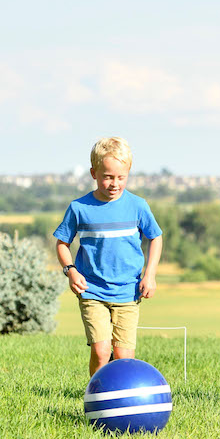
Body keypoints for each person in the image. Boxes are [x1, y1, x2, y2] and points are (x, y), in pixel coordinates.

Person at [54, 137, 163, 377]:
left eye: (121, 177)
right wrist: (71, 270)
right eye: (108, 177)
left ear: (128, 173)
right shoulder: (79, 208)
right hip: (92, 290)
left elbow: (155, 237)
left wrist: (150, 275)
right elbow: (62, 243)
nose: (114, 183)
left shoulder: (138, 205)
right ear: (94, 173)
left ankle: (121, 399)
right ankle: (96, 394)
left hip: (128, 291)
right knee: (102, 351)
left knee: (124, 358)